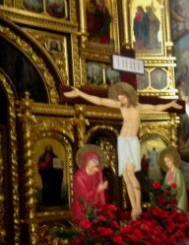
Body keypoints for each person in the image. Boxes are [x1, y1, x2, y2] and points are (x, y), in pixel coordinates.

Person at [64, 82, 181, 220]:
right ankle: (134, 208)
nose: (122, 101)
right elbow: (100, 101)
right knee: (126, 176)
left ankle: (138, 207)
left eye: (123, 98)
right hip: (122, 141)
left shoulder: (139, 107)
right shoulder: (120, 106)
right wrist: (80, 93)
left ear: (129, 96)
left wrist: (170, 104)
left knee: (130, 174)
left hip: (131, 141)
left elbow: (156, 107)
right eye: (120, 99)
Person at [71, 145, 108, 223]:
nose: (95, 164)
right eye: (93, 161)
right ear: (86, 161)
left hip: (95, 208)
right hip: (82, 209)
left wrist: (99, 174)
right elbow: (82, 197)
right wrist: (98, 190)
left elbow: (101, 196)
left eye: (97, 162)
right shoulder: (79, 176)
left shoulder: (97, 173)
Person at [159, 146, 187, 212]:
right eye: (165, 162)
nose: (166, 164)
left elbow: (180, 188)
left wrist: (172, 186)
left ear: (173, 160)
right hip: (169, 199)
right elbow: (164, 185)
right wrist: (165, 186)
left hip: (178, 200)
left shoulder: (178, 172)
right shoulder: (168, 173)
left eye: (168, 161)